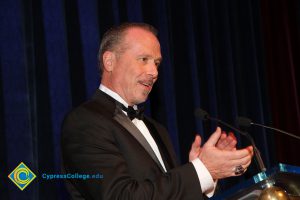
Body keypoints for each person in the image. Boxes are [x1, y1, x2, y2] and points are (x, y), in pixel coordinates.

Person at [61, 22, 253, 200]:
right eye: (143, 59)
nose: (154, 72)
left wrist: (205, 174)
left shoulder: (157, 129)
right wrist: (201, 170)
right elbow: (120, 195)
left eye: (157, 63)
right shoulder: (84, 122)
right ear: (109, 61)